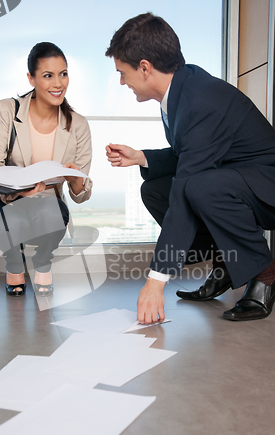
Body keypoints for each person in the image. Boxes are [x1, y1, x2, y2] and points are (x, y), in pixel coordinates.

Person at [105, 13, 275, 323]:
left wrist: (156, 281)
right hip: (237, 181)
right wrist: (142, 157)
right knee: (156, 188)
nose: (122, 82)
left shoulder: (200, 100)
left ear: (144, 67)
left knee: (196, 187)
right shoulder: (181, 89)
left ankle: (266, 274)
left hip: (268, 187)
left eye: (122, 72)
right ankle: (227, 261)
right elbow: (192, 153)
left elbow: (189, 181)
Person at [0, 42, 92, 296]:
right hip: (8, 201)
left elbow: (81, 193)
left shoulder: (78, 125)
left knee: (50, 213)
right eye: (48, 75)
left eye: (63, 73)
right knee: (10, 219)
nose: (58, 83)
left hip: (48, 205)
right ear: (31, 78)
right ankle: (14, 264)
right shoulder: (7, 110)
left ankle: (42, 262)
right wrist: (20, 191)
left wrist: (74, 180)